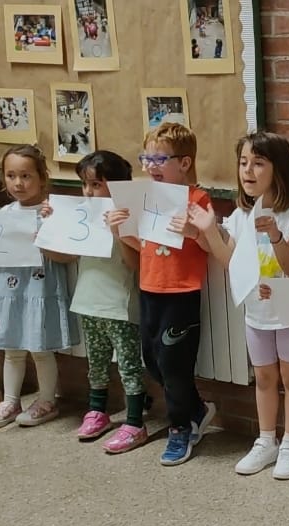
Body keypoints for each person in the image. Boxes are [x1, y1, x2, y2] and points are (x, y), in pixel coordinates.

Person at [189, 131, 289, 479]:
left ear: (278, 169)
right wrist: (207, 231)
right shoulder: (241, 215)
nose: (248, 170)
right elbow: (231, 262)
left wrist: (274, 234)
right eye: (243, 162)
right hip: (256, 312)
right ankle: (266, 440)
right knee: (264, 377)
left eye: (258, 163)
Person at [108, 122, 215, 466]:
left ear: (184, 163)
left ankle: (180, 427)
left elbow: (210, 245)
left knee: (173, 366)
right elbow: (143, 246)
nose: (150, 166)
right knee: (153, 362)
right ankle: (197, 409)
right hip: (150, 289)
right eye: (146, 158)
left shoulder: (197, 200)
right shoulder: (145, 198)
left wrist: (194, 232)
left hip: (181, 294)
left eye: (159, 159)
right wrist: (119, 230)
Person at [40, 151, 150, 453]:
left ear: (116, 186)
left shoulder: (127, 216)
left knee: (128, 365)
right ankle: (97, 410)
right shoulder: (83, 215)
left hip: (119, 304)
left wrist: (119, 232)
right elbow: (65, 255)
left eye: (96, 185)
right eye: (85, 185)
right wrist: (50, 225)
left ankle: (135, 422)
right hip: (88, 301)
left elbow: (135, 264)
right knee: (97, 363)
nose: (88, 192)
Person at [0, 145, 80, 429]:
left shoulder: (52, 212)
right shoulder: (4, 213)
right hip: (10, 291)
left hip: (39, 290)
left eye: (26, 176)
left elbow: (68, 256)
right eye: (11, 176)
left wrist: (45, 238)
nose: (18, 183)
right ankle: (10, 401)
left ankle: (47, 400)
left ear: (42, 177)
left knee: (40, 349)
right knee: (11, 348)